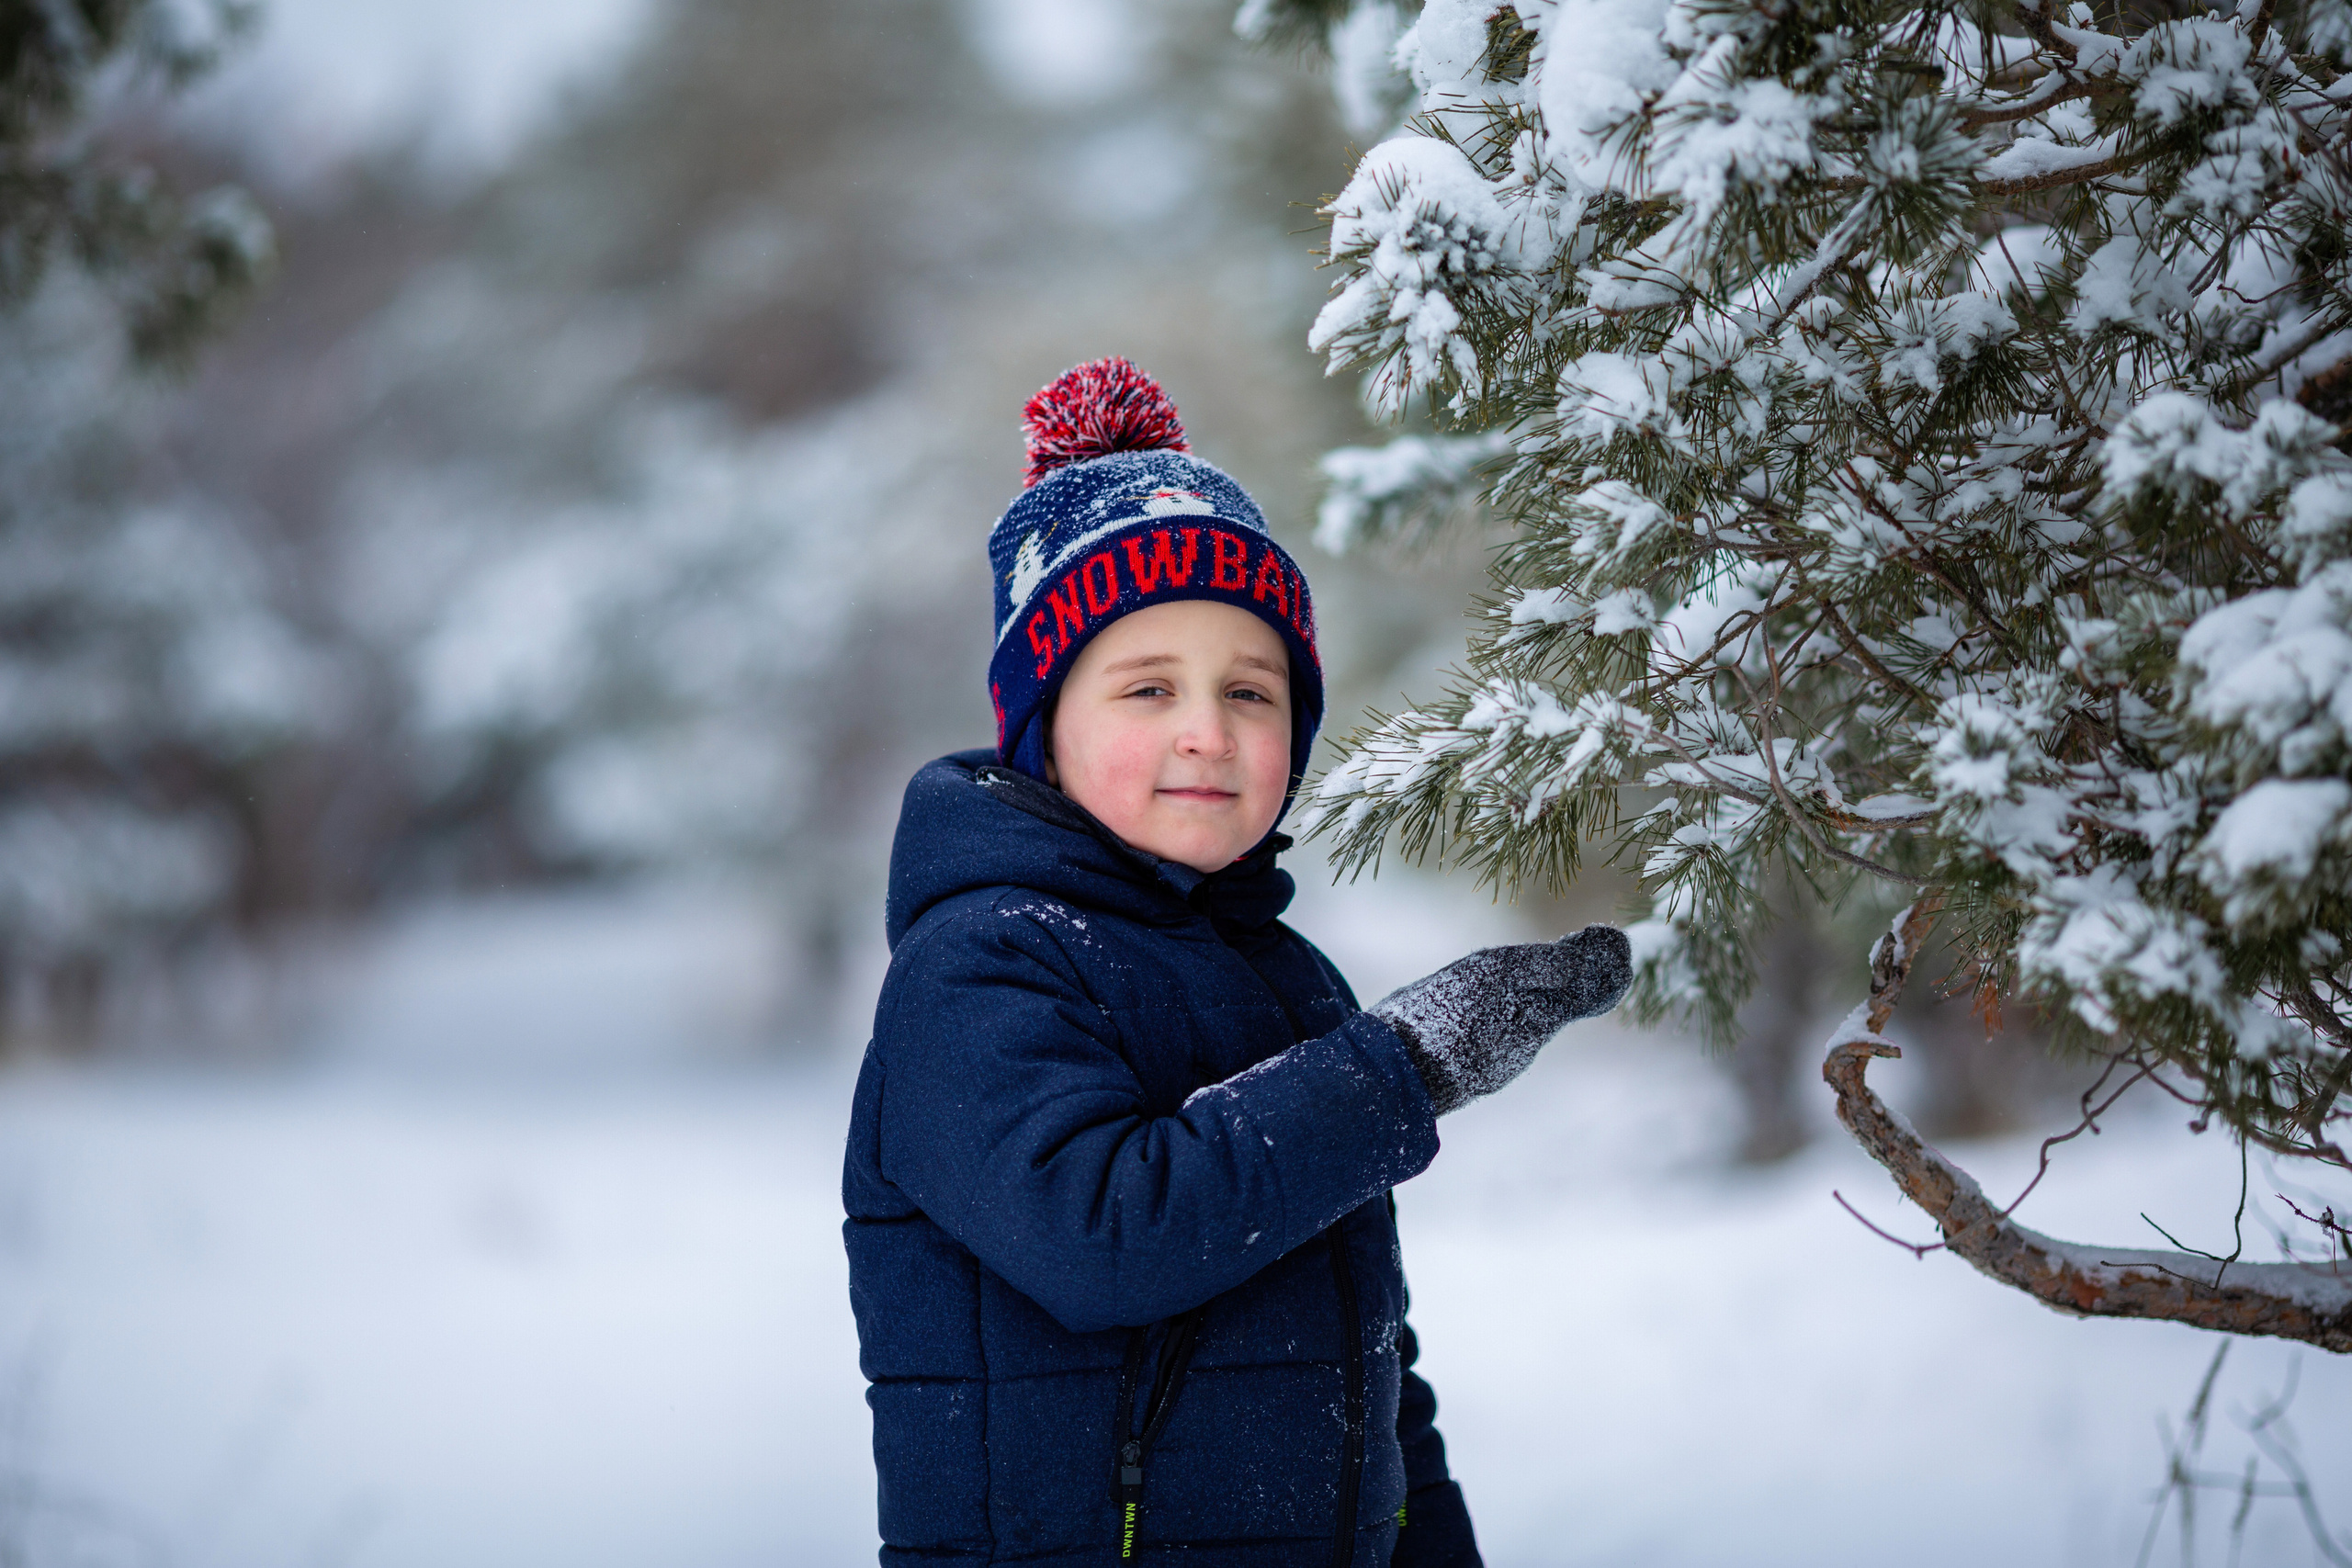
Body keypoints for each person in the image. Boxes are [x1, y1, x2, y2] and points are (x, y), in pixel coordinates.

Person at [842, 358, 1631, 1566]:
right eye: (1148, 687)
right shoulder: (978, 968)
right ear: (1045, 724)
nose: (1207, 730)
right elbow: (1104, 1237)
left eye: (1252, 692)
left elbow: (1365, 1365)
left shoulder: (1288, 974)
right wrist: (1409, 1061)